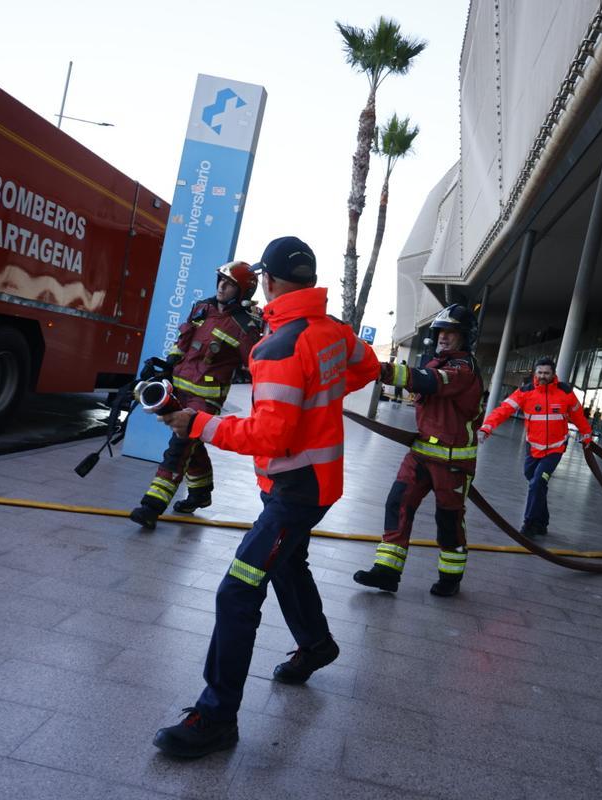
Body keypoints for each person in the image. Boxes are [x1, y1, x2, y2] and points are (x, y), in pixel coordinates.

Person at [151, 236, 380, 759]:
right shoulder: (333, 332)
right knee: (286, 563)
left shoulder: (277, 348)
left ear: (270, 282)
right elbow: (367, 369)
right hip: (315, 481)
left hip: (293, 488)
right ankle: (317, 645)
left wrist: (199, 424)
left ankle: (216, 716)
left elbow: (269, 437)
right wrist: (319, 401)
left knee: (238, 591)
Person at [353, 305, 485, 597]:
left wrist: (382, 370)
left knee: (448, 520)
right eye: (441, 332)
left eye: (452, 333)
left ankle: (450, 577)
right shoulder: (439, 362)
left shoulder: (463, 369)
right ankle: (387, 571)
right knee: (397, 503)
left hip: (452, 464)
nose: (444, 337)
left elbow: (429, 382)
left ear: (465, 338)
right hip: (421, 454)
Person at [129, 262, 263, 529]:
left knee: (179, 447)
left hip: (206, 398)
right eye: (220, 280)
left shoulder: (246, 325)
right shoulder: (202, 307)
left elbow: (258, 366)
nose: (221, 287)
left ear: (242, 291)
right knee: (192, 442)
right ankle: (201, 493)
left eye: (229, 284)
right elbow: (182, 343)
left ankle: (151, 506)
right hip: (178, 388)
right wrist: (166, 366)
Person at [477, 356, 592, 536]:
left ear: (553, 374)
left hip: (555, 448)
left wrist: (586, 434)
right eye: (540, 372)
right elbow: (503, 410)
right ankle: (542, 522)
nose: (543, 376)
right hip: (533, 447)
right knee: (535, 482)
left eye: (546, 373)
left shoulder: (565, 392)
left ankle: (529, 524)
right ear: (535, 373)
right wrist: (487, 427)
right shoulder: (525, 392)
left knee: (538, 482)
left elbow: (578, 416)